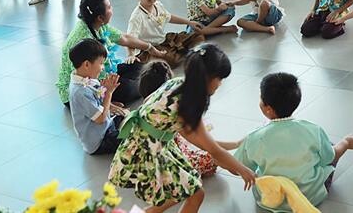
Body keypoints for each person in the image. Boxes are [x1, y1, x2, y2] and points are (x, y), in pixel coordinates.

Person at [109, 44, 256, 213]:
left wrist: (230, 161)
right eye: (220, 78)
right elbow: (212, 149)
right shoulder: (188, 102)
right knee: (195, 193)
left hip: (147, 144)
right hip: (147, 153)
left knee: (185, 190)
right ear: (207, 77)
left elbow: (201, 142)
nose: (220, 84)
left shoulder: (177, 83)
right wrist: (242, 169)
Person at [234, 72, 353, 211]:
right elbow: (330, 157)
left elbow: (237, 167)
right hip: (310, 196)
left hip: (270, 200)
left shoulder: (254, 137)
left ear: (268, 109)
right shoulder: (312, 129)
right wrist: (345, 143)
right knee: (330, 147)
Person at [56, 0, 165, 107]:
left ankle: (140, 82)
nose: (112, 9)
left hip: (103, 73)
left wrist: (150, 48)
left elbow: (124, 38)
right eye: (109, 7)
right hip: (84, 90)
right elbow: (83, 80)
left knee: (141, 67)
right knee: (134, 86)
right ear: (100, 17)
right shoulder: (84, 40)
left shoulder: (97, 24)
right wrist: (106, 103)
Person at [137, 61, 225, 177]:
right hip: (161, 157)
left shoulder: (149, 105)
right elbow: (203, 143)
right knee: (209, 160)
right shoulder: (171, 113)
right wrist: (229, 149)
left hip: (146, 153)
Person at [127, 0, 204, 67]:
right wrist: (131, 54)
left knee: (198, 36)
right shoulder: (136, 17)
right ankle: (183, 53)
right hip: (152, 49)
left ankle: (186, 53)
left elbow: (169, 17)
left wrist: (189, 22)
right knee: (169, 60)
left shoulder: (158, 5)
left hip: (165, 40)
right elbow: (130, 39)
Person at [68, 39, 128, 155]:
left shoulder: (86, 78)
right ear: (86, 64)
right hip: (99, 140)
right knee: (134, 139)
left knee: (128, 115)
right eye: (100, 63)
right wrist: (109, 93)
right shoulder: (80, 92)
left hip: (105, 126)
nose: (102, 68)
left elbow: (98, 100)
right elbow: (100, 119)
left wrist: (110, 103)